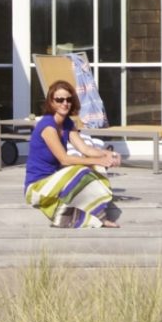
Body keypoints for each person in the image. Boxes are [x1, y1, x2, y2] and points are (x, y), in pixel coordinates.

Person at [22, 79, 122, 227]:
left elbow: (85, 149)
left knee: (96, 168)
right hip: (37, 188)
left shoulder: (67, 123)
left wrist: (107, 155)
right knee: (81, 170)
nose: (65, 103)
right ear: (51, 102)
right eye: (59, 100)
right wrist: (97, 160)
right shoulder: (48, 126)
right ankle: (94, 217)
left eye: (68, 99)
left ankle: (99, 213)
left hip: (56, 182)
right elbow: (64, 159)